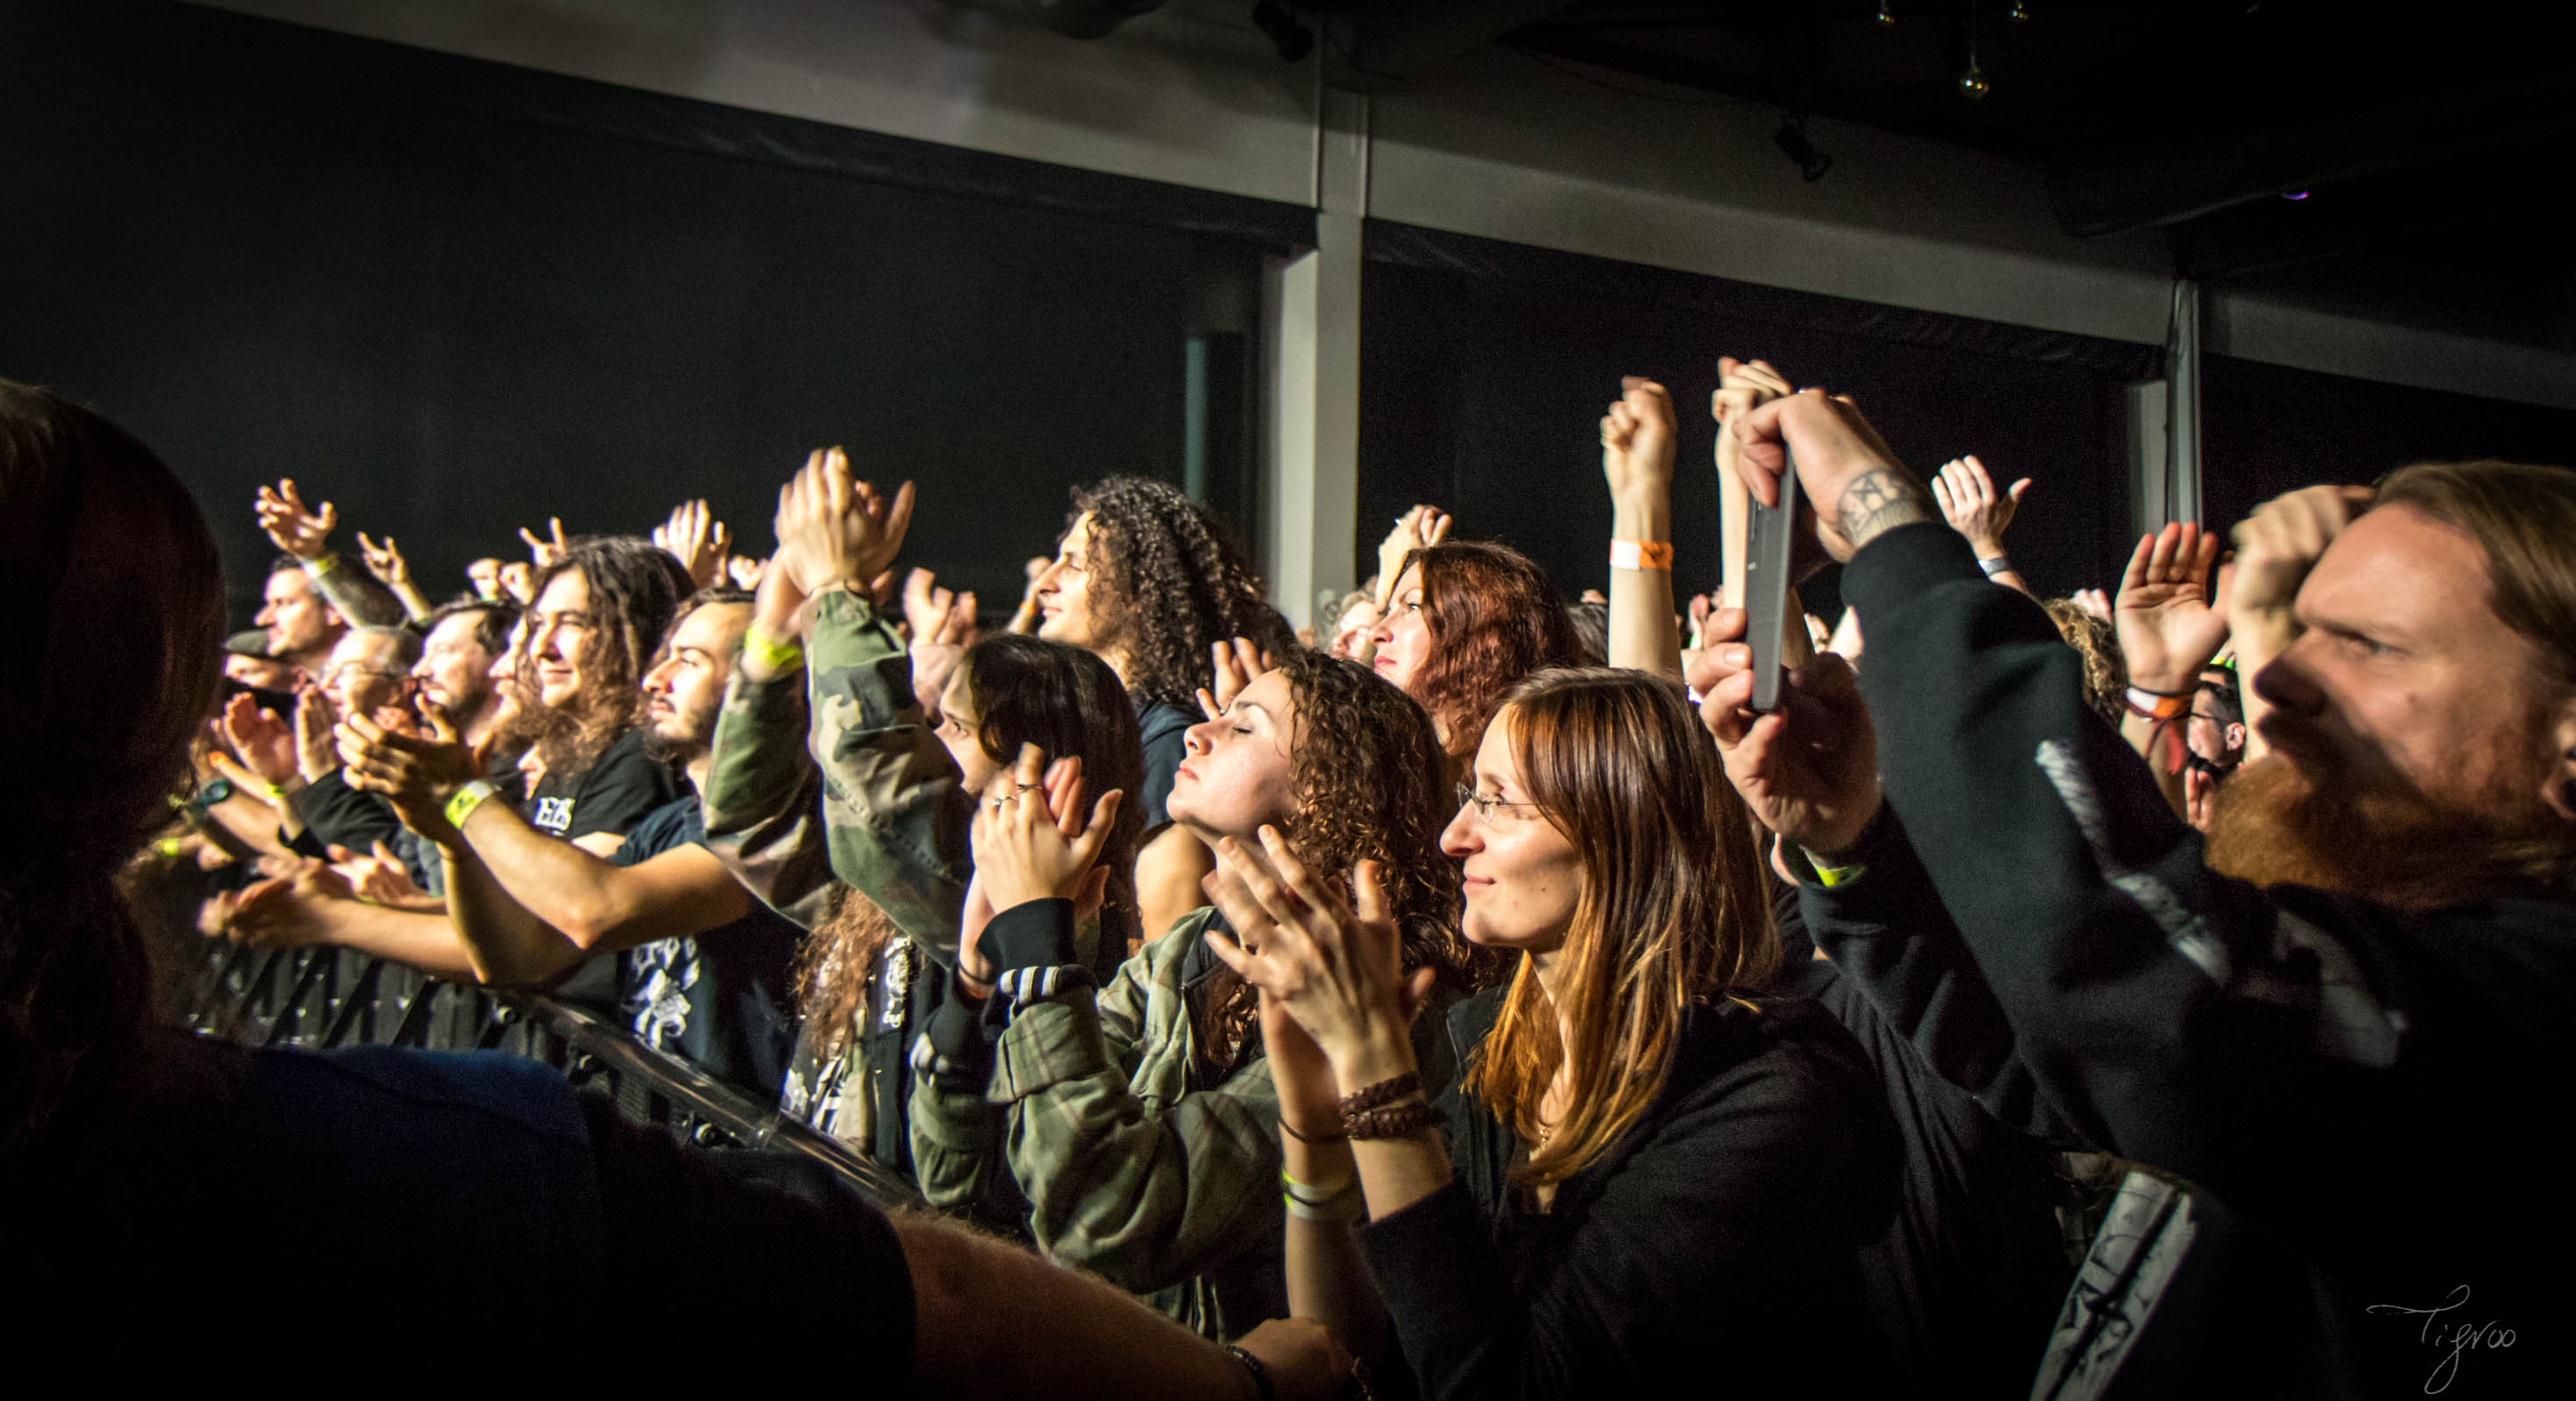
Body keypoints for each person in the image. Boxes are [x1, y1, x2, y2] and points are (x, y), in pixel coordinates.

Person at [0, 378, 1357, 1393]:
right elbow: (768, 818)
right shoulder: (382, 1144)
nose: (1048, 572)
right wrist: (779, 636)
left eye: (948, 727)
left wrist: (827, 614)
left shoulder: (1114, 819)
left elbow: (1044, 1211)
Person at [1694, 380, 2576, 1397]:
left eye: (2368, 644)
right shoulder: (2407, 935)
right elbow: (2046, 1058)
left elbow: (2155, 989)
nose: (2277, 674)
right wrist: (1855, 841)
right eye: (2301, 629)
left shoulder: (2530, 1005)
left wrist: (1891, 531)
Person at [1208, 666, 1899, 1397]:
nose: (1454, 836)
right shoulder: (1489, 1041)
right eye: (1469, 794)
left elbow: (1501, 1385)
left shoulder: (1768, 1098)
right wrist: (1314, 1128)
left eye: (1500, 804)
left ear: (1623, 833)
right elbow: (1353, 1354)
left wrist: (1374, 1070)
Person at [908, 647, 1481, 1341]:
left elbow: (1110, 1222)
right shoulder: (1187, 950)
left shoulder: (1377, 996)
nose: (1196, 731)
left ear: (1329, 787)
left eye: (1245, 727)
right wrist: (976, 988)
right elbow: (965, 1186)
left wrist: (1041, 961)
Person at [692, 448, 1146, 1161]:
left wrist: (839, 590)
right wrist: (777, 638)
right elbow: (755, 825)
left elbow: (883, 799)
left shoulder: (1035, 910)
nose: (930, 743)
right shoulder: (890, 894)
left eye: (954, 728)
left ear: (1037, 761)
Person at [337, 588, 804, 1095]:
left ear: (765, 688)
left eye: (688, 662)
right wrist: (453, 839)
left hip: (742, 1159)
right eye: (663, 658)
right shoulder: (672, 822)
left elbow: (594, 909)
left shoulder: (781, 825)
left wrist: (463, 800)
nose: (655, 680)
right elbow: (521, 954)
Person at [1369, 539, 1584, 771]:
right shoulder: (1394, 759)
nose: (1376, 632)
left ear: (1484, 633)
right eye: (1388, 611)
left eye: (1412, 607)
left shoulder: (1538, 769)